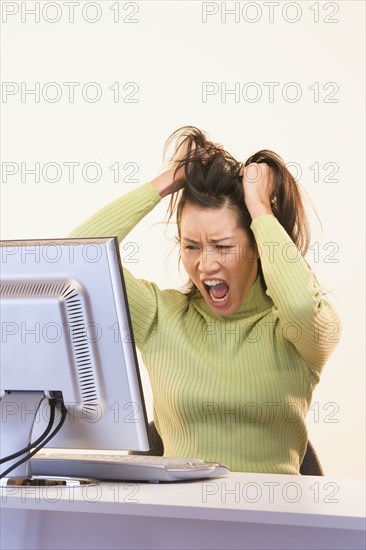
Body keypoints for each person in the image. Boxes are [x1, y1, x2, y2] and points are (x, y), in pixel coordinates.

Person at [68, 126, 341, 474]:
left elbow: (301, 306)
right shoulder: (161, 317)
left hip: (274, 520)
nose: (206, 263)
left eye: (224, 246)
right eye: (191, 246)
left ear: (259, 246)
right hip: (180, 521)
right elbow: (76, 256)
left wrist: (260, 209)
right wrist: (168, 181)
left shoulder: (298, 333)